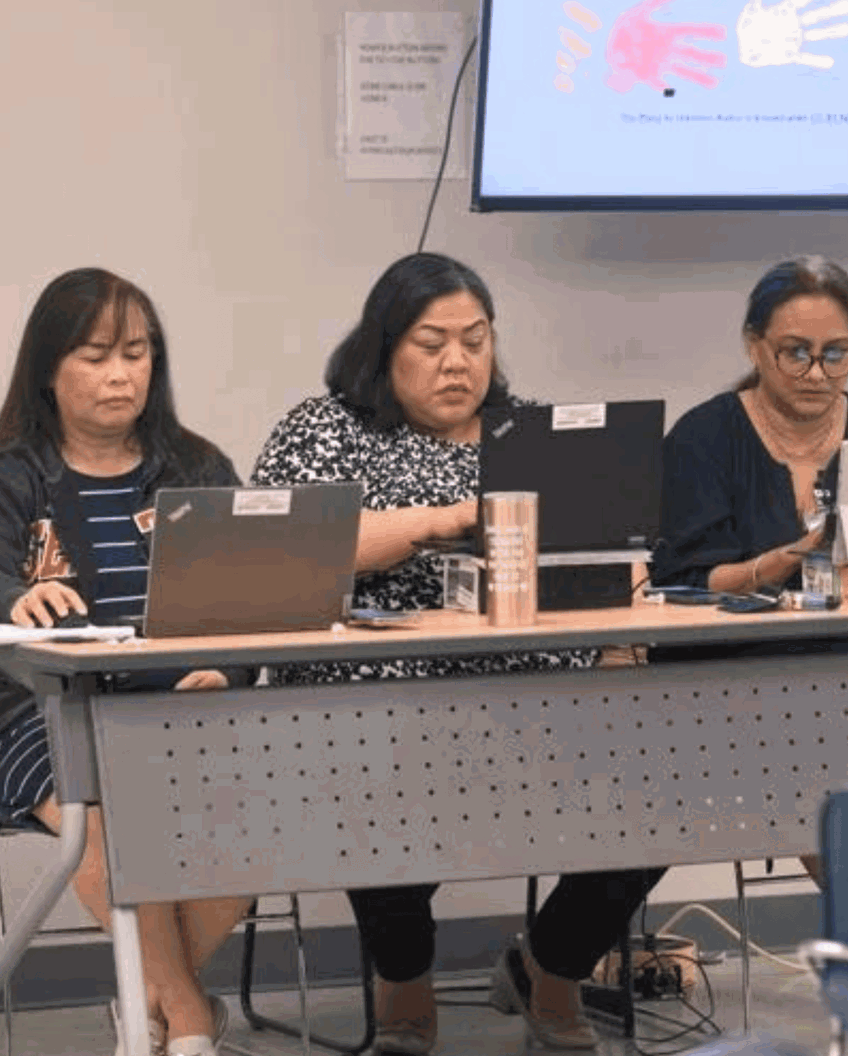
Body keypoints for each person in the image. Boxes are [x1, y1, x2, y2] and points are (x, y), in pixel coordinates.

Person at [252, 251, 665, 1054]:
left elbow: (618, 552)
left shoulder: (533, 432)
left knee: (664, 780)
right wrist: (442, 519)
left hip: (542, 699)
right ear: (383, 347)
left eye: (475, 340)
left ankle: (552, 966)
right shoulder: (327, 427)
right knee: (377, 759)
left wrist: (625, 563)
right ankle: (403, 984)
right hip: (374, 704)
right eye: (432, 341)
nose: (458, 362)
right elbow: (290, 548)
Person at [0, 268, 253, 1056]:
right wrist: (10, 595)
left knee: (254, 810)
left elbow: (255, 590)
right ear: (48, 369)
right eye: (96, 356)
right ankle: (191, 1019)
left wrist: (233, 672)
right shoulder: (9, 475)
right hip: (39, 709)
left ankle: (151, 1007)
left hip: (180, 706)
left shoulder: (197, 468)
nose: (121, 374)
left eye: (137, 354)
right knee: (101, 809)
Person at [650, 256, 848, 661]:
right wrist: (776, 565)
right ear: (754, 347)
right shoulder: (702, 439)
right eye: (796, 353)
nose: (817, 374)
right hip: (725, 677)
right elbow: (684, 582)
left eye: (836, 355)